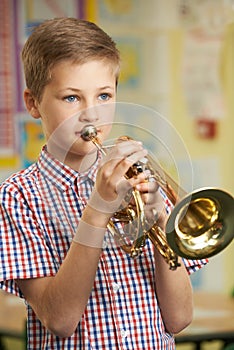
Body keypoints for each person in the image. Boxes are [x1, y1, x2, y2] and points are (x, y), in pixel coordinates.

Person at [0, 17, 207, 349]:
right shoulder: (18, 198)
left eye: (104, 95)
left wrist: (160, 223)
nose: (91, 115)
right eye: (71, 98)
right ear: (34, 103)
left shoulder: (139, 176)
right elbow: (60, 320)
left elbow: (180, 318)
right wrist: (97, 211)